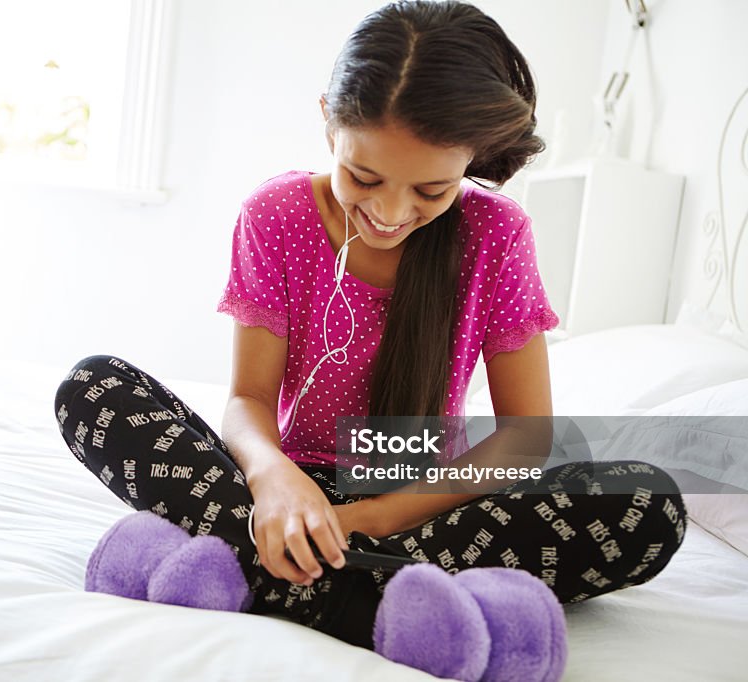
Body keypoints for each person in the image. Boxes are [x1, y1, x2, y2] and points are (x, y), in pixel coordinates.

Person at [55, 0, 685, 653]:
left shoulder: (497, 235)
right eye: (365, 176)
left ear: (469, 165)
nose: (390, 212)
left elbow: (526, 436)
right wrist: (275, 481)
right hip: (291, 487)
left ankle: (262, 574)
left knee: (645, 500)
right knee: (94, 386)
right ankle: (385, 604)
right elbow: (248, 400)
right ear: (329, 120)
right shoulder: (276, 215)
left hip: (422, 502)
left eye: (430, 192)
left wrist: (373, 517)